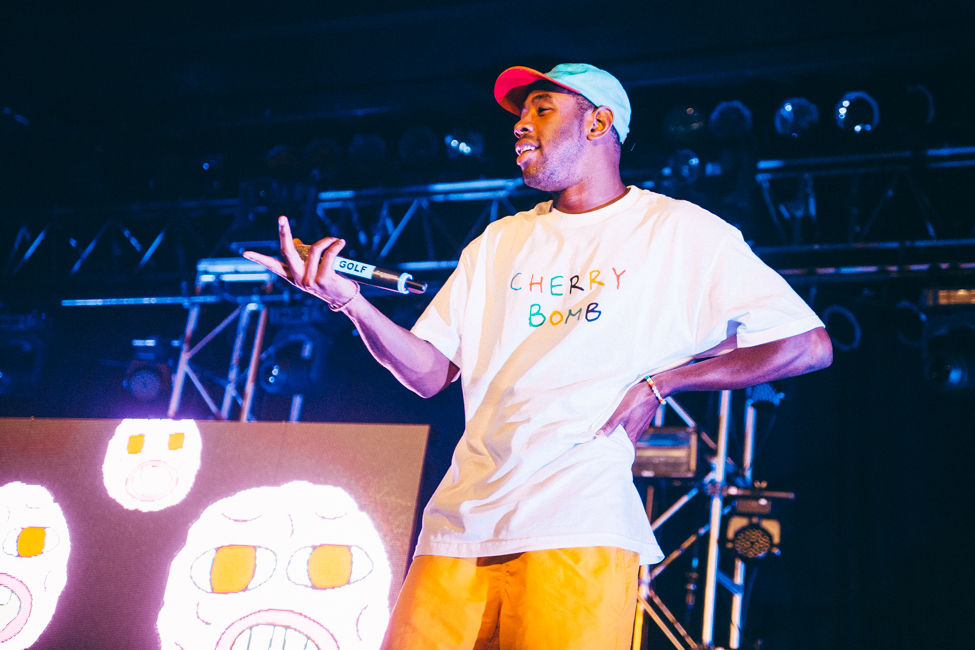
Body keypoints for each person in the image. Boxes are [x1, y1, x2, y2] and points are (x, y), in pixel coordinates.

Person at [244, 63, 833, 650]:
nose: (521, 126)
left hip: (578, 525)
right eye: (520, 115)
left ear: (599, 122)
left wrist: (664, 383)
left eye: (542, 109)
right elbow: (429, 374)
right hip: (457, 527)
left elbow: (807, 344)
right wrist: (349, 304)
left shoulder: (675, 230)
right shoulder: (500, 241)